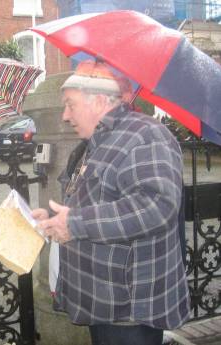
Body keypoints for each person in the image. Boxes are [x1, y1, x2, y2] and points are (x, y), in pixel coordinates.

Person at [32, 60, 191, 345]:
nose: (66, 115)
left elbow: (156, 205)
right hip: (100, 303)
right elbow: (92, 200)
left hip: (130, 310)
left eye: (71, 104)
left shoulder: (147, 135)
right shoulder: (92, 142)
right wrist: (53, 218)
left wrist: (76, 223)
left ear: (100, 100)